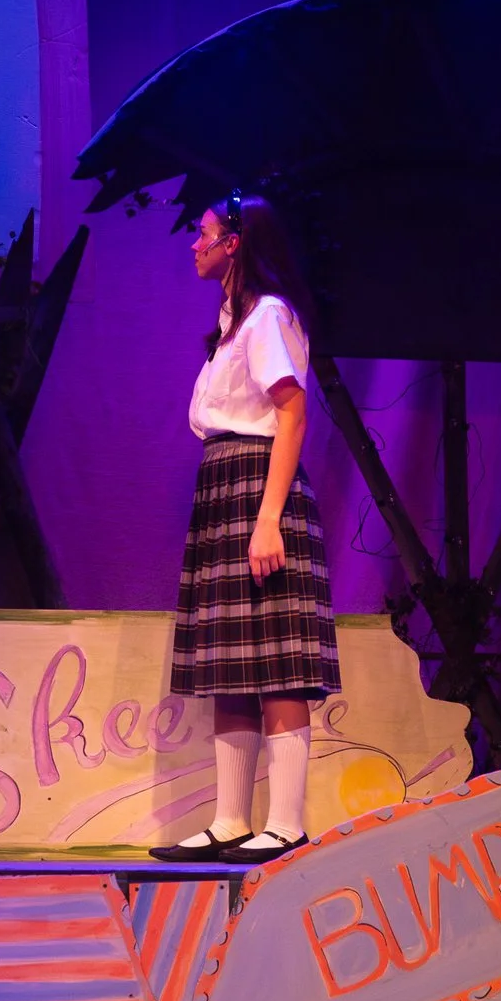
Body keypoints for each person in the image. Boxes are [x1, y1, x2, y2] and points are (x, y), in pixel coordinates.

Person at [151, 191, 339, 866]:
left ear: (235, 241)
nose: (193, 245)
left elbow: (292, 414)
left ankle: (284, 824)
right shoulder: (235, 321)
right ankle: (231, 820)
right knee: (229, 663)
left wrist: (268, 519)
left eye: (203, 234)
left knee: (278, 663)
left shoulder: (267, 316)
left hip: (261, 487)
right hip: (224, 485)